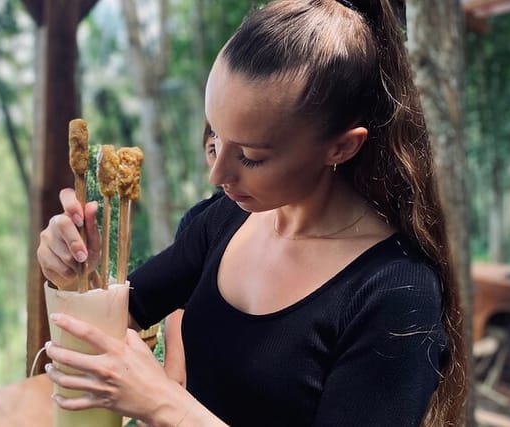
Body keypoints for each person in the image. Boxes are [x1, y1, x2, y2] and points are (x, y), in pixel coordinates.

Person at [36, 0, 467, 425]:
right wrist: (79, 273)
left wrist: (165, 405)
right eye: (215, 140)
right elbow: (126, 311)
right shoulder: (222, 221)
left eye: (251, 156)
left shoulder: (395, 292)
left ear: (342, 146)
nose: (218, 174)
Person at [164, 120, 223, 387]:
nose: (220, 169)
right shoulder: (199, 219)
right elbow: (177, 301)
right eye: (213, 149)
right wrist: (173, 378)